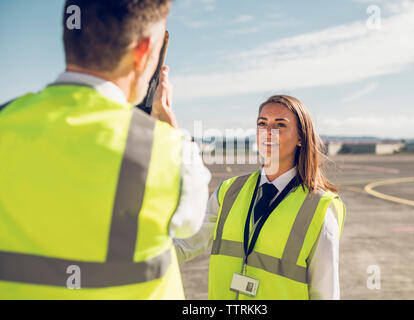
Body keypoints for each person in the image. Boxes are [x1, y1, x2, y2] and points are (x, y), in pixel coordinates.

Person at [0, 0, 210, 299]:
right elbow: (191, 224)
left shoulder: (5, 120)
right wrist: (167, 130)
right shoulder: (169, 152)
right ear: (142, 52)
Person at [175, 95, 346, 300]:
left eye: (280, 125)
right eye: (262, 124)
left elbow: (326, 293)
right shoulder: (229, 192)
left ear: (301, 137)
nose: (268, 132)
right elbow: (183, 245)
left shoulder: (319, 207)